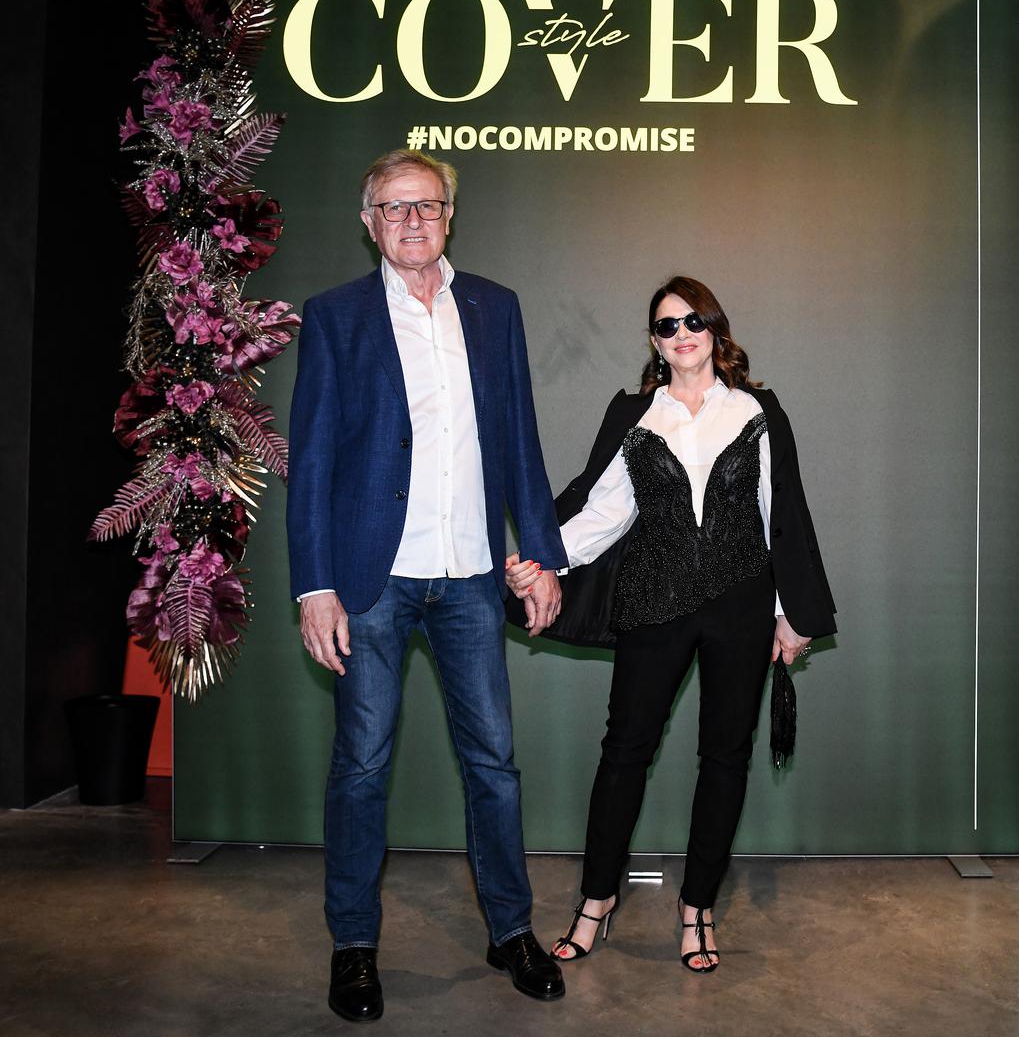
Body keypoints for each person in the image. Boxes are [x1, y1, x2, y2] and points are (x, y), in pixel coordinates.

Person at [287, 149, 568, 1022]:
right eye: (394, 207)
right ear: (367, 222)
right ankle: (353, 946)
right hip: (370, 582)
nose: (412, 220)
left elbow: (518, 439)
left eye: (427, 204)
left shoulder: (494, 307)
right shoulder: (335, 315)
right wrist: (315, 587)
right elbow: (312, 460)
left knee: (494, 765)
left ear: (450, 215)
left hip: (473, 577)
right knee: (362, 767)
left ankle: (511, 930)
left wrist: (543, 555)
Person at [510, 276, 835, 973]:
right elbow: (603, 511)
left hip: (741, 605)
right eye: (666, 325)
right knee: (624, 752)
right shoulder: (635, 413)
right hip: (652, 601)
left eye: (693, 321)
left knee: (725, 757)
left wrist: (790, 613)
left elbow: (781, 511)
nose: (681, 334)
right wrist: (541, 562)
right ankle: (596, 900)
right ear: (653, 342)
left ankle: (697, 909)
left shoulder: (757, 408)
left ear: (715, 330)